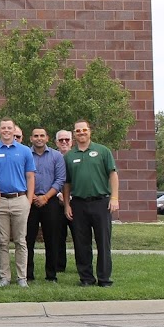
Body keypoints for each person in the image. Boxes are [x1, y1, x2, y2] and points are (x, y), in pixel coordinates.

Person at [63, 119, 118, 288]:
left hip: (101, 202)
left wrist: (114, 198)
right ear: (74, 134)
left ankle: (104, 279)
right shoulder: (69, 156)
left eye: (84, 130)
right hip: (78, 204)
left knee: (103, 242)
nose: (81, 133)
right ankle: (86, 278)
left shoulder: (102, 151)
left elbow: (113, 175)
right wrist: (67, 205)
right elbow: (67, 184)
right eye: (78, 131)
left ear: (90, 131)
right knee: (81, 243)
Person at [0, 117, 36, 287]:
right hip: (0, 201)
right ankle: (5, 277)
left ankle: (22, 278)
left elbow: (30, 176)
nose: (6, 131)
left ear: (14, 130)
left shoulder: (25, 151)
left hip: (20, 199)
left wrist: (28, 200)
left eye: (9, 128)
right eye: (3, 128)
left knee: (21, 241)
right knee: (2, 241)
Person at [26, 126, 66, 283]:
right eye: (36, 135)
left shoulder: (56, 156)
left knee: (52, 239)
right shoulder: (25, 155)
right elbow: (22, 177)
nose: (39, 138)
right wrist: (33, 196)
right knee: (28, 239)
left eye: (42, 135)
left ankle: (51, 275)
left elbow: (60, 179)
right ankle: (28, 274)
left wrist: (46, 197)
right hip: (30, 200)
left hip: (51, 202)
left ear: (47, 138)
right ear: (31, 138)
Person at [54, 129, 74, 273]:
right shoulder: (52, 157)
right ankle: (59, 266)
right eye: (61, 140)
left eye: (67, 139)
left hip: (75, 202)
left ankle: (83, 265)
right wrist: (58, 195)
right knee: (57, 235)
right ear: (56, 142)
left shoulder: (76, 156)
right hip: (56, 201)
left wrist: (71, 197)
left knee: (79, 236)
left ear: (71, 142)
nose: (64, 142)